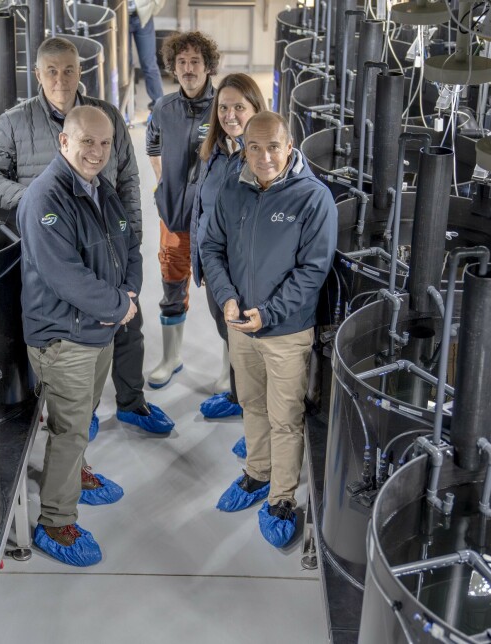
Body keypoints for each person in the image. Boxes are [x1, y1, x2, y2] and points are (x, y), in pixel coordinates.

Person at [0, 36, 173, 435]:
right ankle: (85, 411)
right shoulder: (16, 122)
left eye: (68, 69)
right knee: (82, 336)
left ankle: (132, 401)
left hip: (110, 243)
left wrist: (131, 235)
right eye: (51, 71)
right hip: (59, 248)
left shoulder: (106, 116)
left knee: (129, 323)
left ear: (81, 71)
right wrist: (32, 200)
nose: (60, 79)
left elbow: (129, 179)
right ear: (38, 75)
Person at [201, 112, 336, 548]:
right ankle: (256, 473)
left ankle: (281, 497)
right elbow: (211, 247)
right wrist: (226, 298)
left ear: (290, 145)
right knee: (252, 405)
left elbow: (312, 272)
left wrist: (270, 314)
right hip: (241, 327)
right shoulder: (232, 190)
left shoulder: (313, 199)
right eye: (254, 147)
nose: (264, 157)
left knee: (284, 418)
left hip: (285, 332)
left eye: (273, 146)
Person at [18, 106, 141, 566]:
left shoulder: (100, 188)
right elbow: (64, 276)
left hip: (99, 328)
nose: (97, 151)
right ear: (64, 142)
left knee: (84, 414)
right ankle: (55, 521)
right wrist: (119, 307)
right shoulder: (45, 199)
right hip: (63, 336)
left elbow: (128, 243)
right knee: (69, 430)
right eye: (87, 141)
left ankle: (75, 474)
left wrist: (129, 293)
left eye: (105, 143)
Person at [144, 31, 219, 388]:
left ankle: (229, 370)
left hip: (216, 222)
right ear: (173, 67)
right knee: (172, 284)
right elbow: (152, 147)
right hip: (174, 217)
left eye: (195, 62)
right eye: (182, 62)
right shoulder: (163, 108)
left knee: (226, 289)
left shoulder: (224, 107)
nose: (188, 69)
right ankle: (171, 358)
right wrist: (162, 188)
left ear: (208, 66)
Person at [191, 73, 265, 421]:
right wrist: (201, 264)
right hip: (215, 266)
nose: (230, 114)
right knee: (228, 335)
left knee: (250, 347)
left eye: (239, 107)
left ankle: (255, 420)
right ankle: (238, 398)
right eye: (223, 107)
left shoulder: (262, 159)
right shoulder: (216, 151)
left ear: (256, 108)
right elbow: (202, 210)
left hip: (245, 273)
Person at [128, 0, 166, 110]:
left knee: (149, 63)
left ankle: (159, 106)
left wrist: (153, 8)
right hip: (120, 18)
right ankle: (128, 104)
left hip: (143, 17)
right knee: (125, 64)